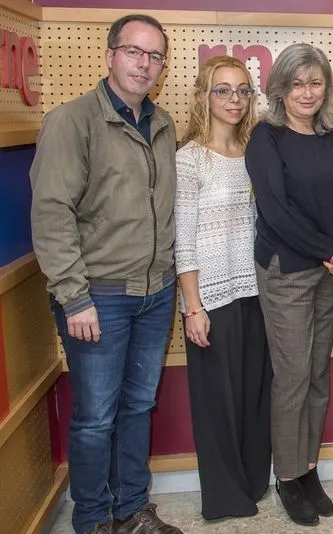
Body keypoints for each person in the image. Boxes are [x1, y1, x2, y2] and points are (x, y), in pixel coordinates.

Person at [30, 14, 182, 534]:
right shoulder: (72, 121)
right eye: (134, 51)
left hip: (155, 292)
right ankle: (93, 520)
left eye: (155, 56)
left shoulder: (161, 124)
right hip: (99, 297)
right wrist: (74, 298)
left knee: (138, 407)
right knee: (96, 417)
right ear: (110, 55)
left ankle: (132, 510)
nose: (145, 64)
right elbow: (51, 214)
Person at [246, 43, 333, 526]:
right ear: (280, 90)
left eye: (316, 83)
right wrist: (328, 252)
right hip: (288, 271)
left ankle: (309, 467)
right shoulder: (266, 138)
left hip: (332, 269)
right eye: (297, 83)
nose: (307, 92)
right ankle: (288, 477)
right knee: (292, 378)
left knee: (316, 374)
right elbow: (275, 212)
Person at [175, 55, 271, 521]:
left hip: (256, 292)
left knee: (254, 393)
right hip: (210, 296)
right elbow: (184, 241)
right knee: (218, 400)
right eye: (222, 89)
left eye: (242, 90)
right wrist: (192, 307)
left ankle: (255, 482)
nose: (234, 99)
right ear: (204, 96)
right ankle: (226, 497)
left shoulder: (256, 152)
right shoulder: (189, 158)